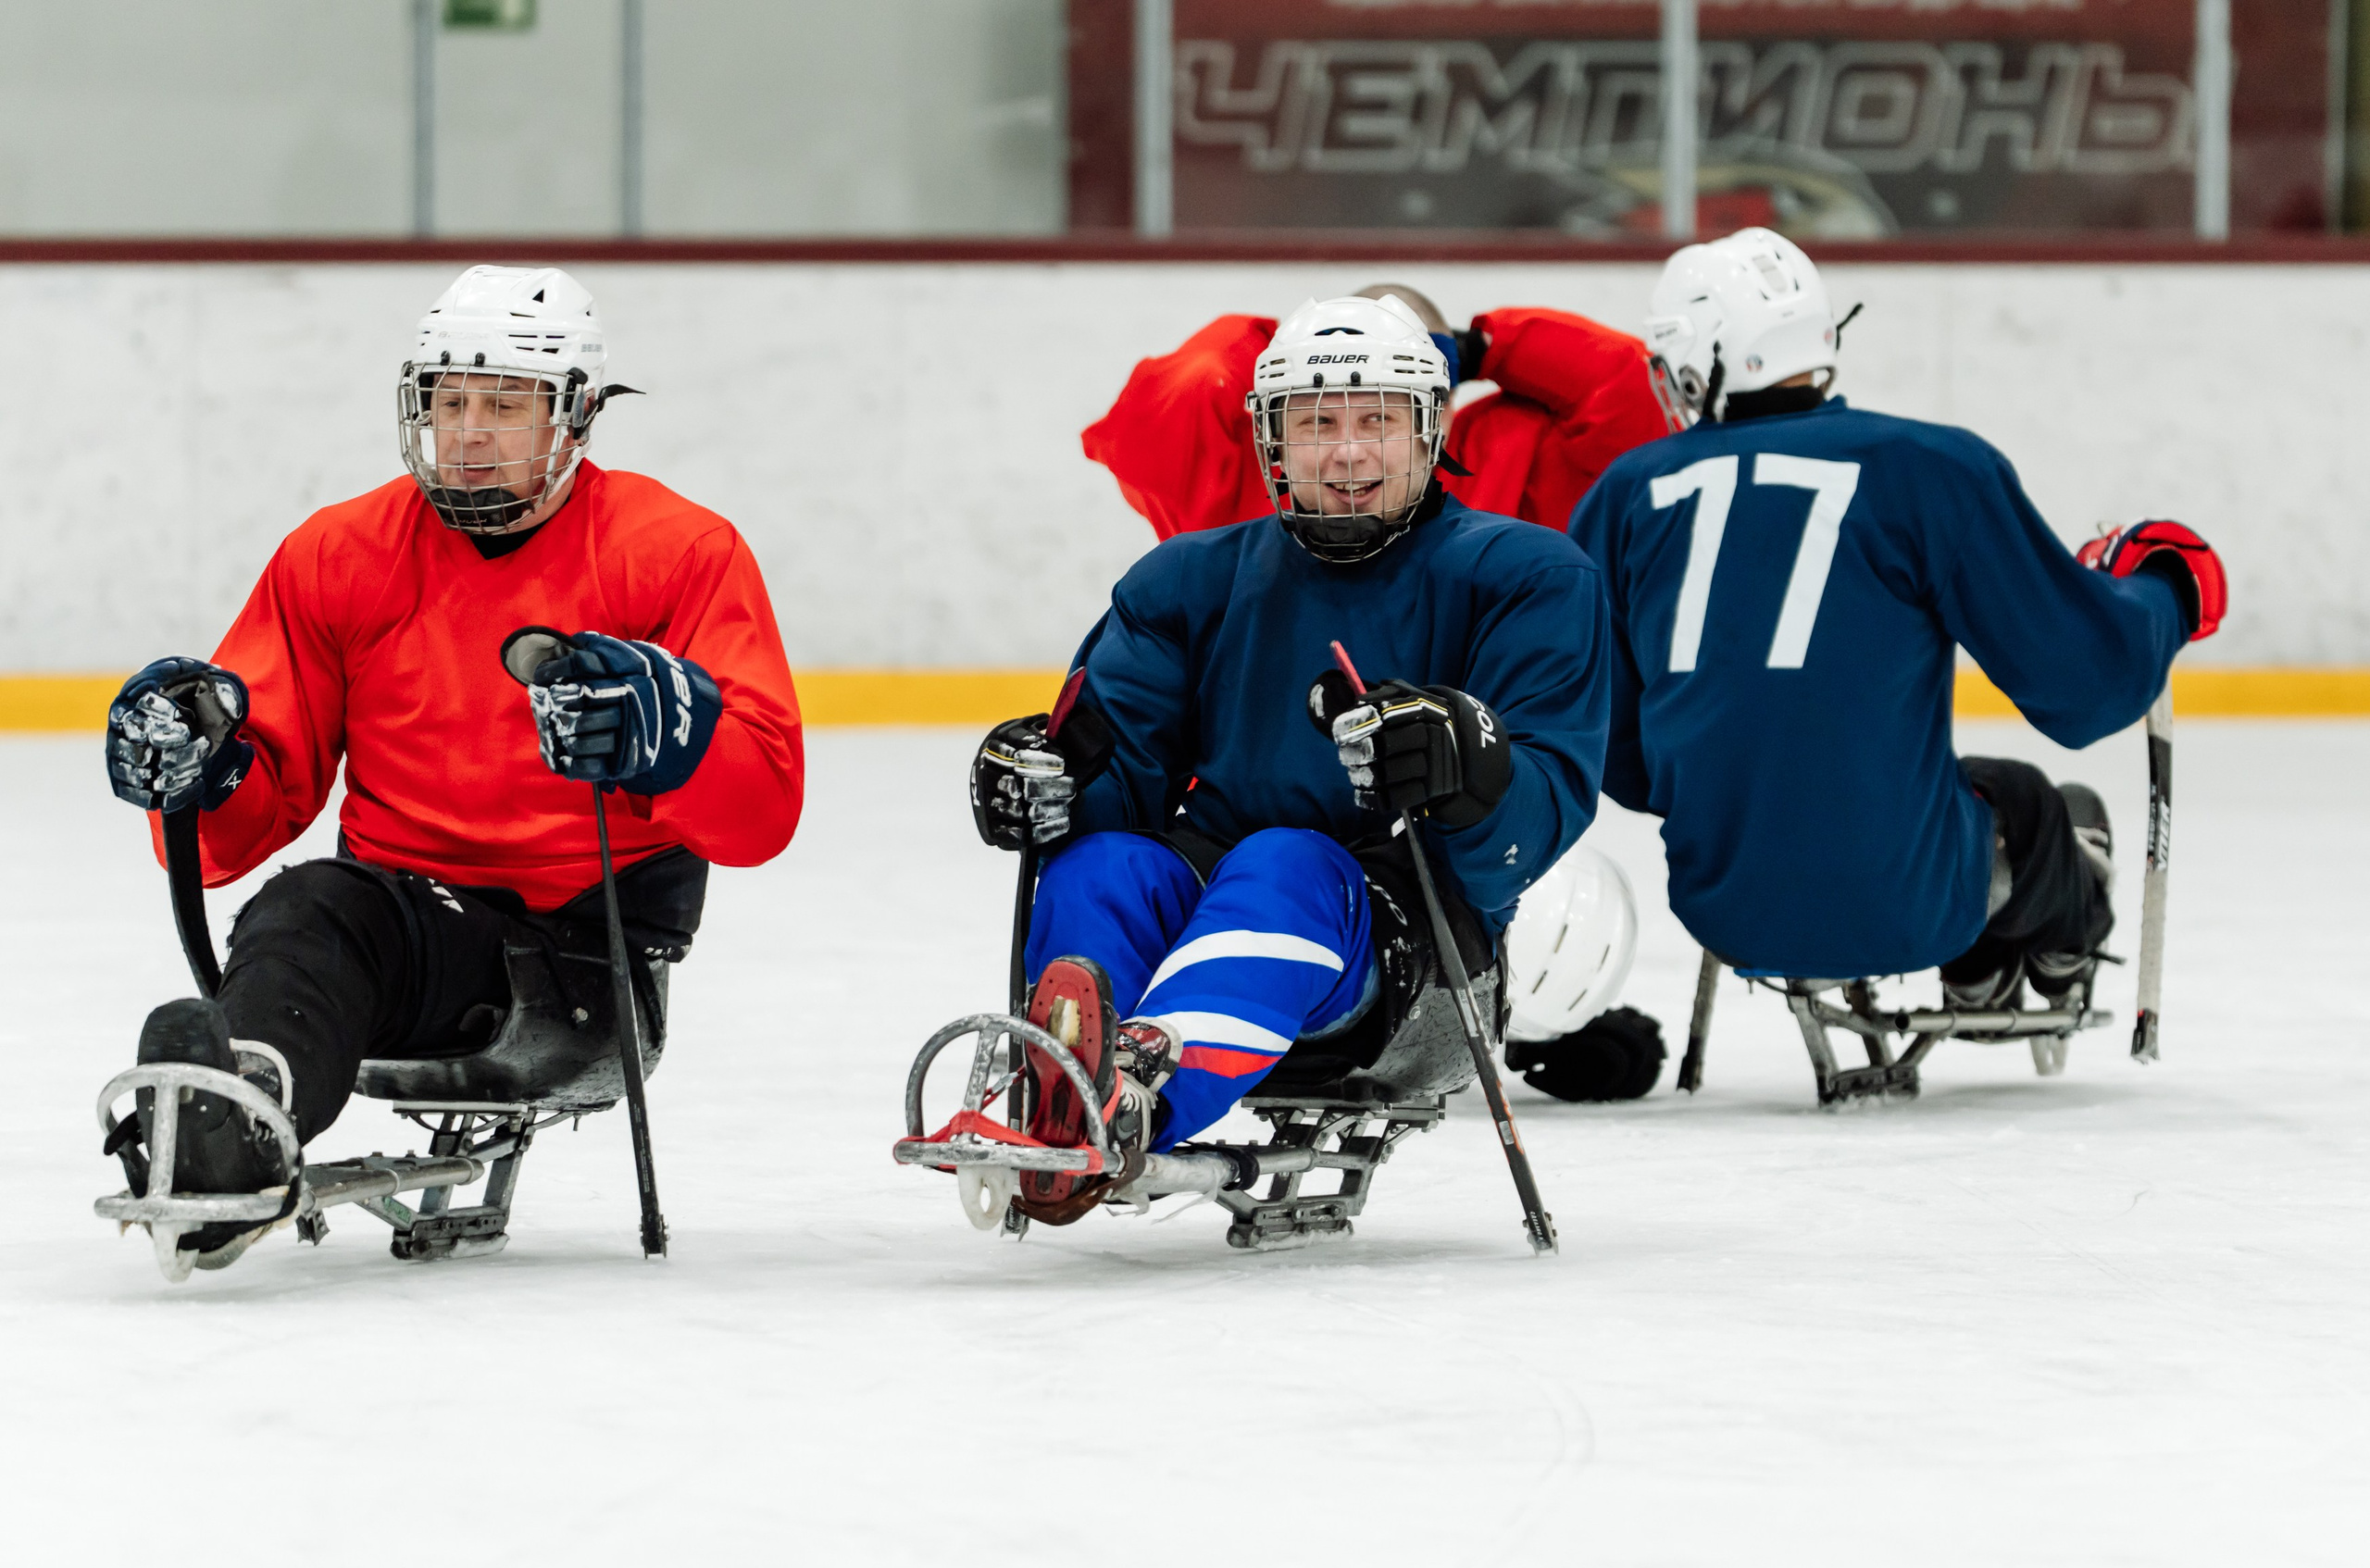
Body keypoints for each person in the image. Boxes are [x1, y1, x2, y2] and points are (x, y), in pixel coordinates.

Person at [101, 265, 804, 1269]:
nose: (469, 429)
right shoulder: (338, 553)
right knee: (305, 909)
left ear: (577, 415)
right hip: (404, 930)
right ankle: (237, 1118)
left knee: (324, 912)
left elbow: (764, 811)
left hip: (586, 963)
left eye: (505, 403)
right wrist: (201, 770)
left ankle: (238, 1116)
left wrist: (672, 742)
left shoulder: (677, 552)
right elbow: (239, 831)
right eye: (448, 398)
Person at [968, 293, 1612, 1225]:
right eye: (1315, 423)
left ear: (1430, 432)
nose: (1346, 452)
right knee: (1104, 866)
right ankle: (1072, 1083)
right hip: (1217, 904)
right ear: (1270, 439)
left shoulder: (1527, 575)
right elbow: (1116, 795)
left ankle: (1131, 1094)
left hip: (1415, 961)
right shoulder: (1187, 579)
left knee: (1285, 858)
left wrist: (1470, 767)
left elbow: (1532, 822)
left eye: (1376, 422)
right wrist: (1045, 787)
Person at [1569, 228, 2227, 1006]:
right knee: (2042, 807)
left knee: (1947, 796)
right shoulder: (1930, 468)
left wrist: (1730, 780)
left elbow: (1611, 744)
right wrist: (2165, 590)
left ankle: (1983, 957)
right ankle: (2027, 952)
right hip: (1911, 904)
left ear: (1697, 357)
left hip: (1722, 907)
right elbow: (2085, 685)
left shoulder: (1625, 492)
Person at [1080, 283, 1669, 541]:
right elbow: (1168, 408)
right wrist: (1287, 347)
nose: (1352, 451)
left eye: (1390, 402)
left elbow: (1645, 400)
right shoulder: (1256, 469)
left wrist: (1491, 346)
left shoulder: (1516, 455)